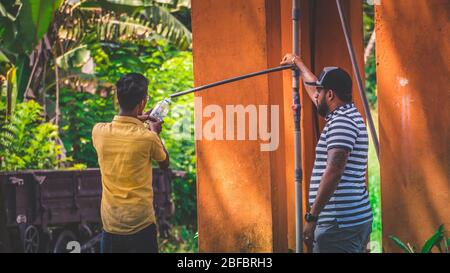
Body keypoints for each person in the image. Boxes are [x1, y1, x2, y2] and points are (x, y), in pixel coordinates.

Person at [281, 54, 373, 253]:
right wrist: (299, 64)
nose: (315, 95)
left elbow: (334, 171)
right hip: (350, 219)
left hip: (338, 224)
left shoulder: (342, 122)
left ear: (330, 95)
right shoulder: (347, 115)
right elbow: (313, 88)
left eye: (320, 92)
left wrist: (312, 217)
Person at [92, 73, 169, 253]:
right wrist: (155, 132)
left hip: (111, 226)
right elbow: (164, 164)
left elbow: (121, 125)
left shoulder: (98, 132)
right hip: (141, 225)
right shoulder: (148, 138)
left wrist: (136, 119)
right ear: (142, 103)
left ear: (118, 98)